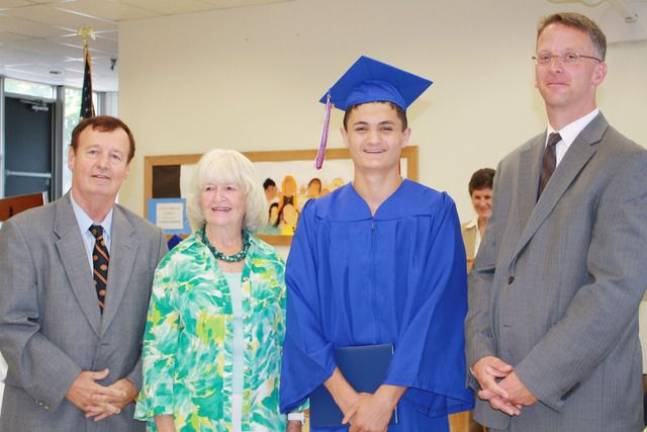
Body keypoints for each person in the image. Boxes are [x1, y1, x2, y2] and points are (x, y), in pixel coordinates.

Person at [466, 12, 647, 432]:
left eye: (570, 56)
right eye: (545, 57)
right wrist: (479, 354)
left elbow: (614, 291)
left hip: (582, 406)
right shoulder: (512, 166)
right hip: (503, 401)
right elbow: (487, 272)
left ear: (599, 71)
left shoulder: (627, 163)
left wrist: (534, 377)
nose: (555, 67)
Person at [280, 56, 473, 432]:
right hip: (336, 401)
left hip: (413, 395)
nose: (373, 139)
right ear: (344, 136)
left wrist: (385, 398)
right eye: (361, 128)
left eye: (386, 128)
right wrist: (348, 397)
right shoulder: (318, 217)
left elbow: (439, 311)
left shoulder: (435, 211)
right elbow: (301, 312)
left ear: (405, 135)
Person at [0, 115, 167, 431]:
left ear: (127, 168)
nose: (103, 164)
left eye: (115, 156)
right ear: (72, 158)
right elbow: (10, 325)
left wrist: (133, 385)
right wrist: (67, 382)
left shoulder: (150, 240)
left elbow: (164, 331)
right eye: (93, 152)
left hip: (121, 418)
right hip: (43, 416)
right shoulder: (22, 232)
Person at [135, 149, 301, 432]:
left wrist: (295, 419)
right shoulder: (176, 266)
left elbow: (290, 347)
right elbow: (158, 356)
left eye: (229, 188)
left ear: (247, 197)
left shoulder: (272, 266)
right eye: (209, 188)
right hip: (194, 422)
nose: (218, 197)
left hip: (264, 420)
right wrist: (164, 426)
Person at [461, 168, 495, 272]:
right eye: (477, 197)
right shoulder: (460, 232)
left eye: (487, 197)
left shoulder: (509, 231)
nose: (482, 203)